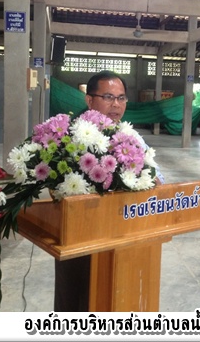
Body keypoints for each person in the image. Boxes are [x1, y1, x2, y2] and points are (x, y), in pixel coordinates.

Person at [55, 70, 164, 312]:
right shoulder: (69, 137)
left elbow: (158, 177)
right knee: (79, 300)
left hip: (125, 236)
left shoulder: (132, 137)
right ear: (89, 100)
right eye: (108, 96)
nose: (116, 104)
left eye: (121, 98)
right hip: (82, 238)